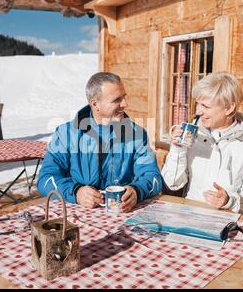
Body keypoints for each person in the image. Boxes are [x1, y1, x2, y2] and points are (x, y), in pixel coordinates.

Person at [37, 72, 163, 212]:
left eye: (124, 97)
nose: (125, 104)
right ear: (95, 104)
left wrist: (137, 191)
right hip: (77, 217)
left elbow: (154, 178)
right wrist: (76, 192)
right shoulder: (65, 134)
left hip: (123, 216)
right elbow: (45, 179)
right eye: (117, 100)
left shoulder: (136, 135)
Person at [161, 72, 243, 214]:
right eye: (198, 104)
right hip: (189, 214)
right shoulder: (193, 135)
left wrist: (228, 201)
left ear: (229, 108)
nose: (198, 111)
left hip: (227, 220)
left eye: (205, 106)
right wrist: (178, 149)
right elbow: (172, 183)